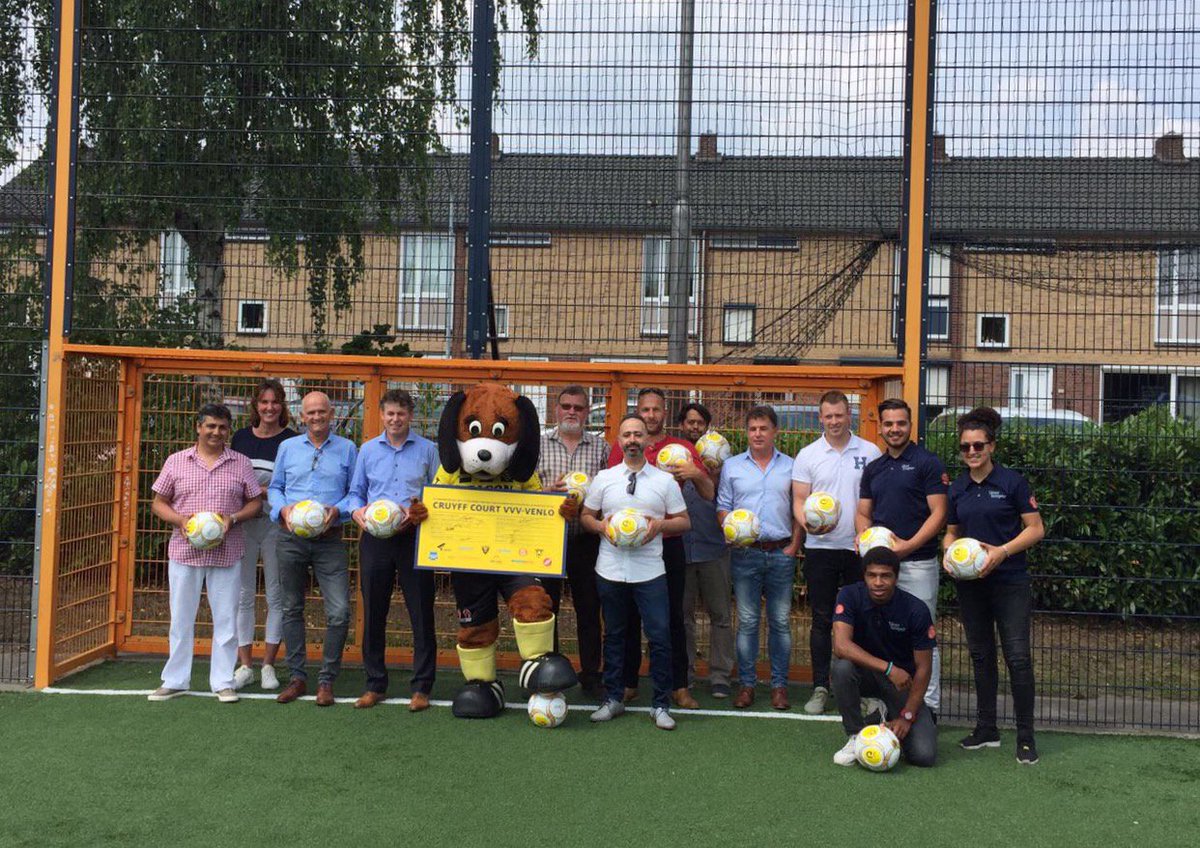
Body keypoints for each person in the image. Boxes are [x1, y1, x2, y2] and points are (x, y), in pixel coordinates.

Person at [945, 406, 1045, 764]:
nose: (972, 452)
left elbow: (1036, 529)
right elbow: (952, 533)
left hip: (1010, 582)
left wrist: (1002, 552)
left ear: (992, 447)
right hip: (971, 585)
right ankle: (986, 728)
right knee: (981, 654)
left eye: (978, 446)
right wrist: (948, 554)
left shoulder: (1012, 483)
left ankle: (1026, 737)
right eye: (965, 447)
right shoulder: (957, 488)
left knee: (1017, 657)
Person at [147, 403, 264, 703]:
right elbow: (158, 503)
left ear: (228, 430)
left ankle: (223, 681)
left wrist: (233, 518)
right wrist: (180, 521)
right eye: (210, 426)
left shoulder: (240, 463)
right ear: (198, 428)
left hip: (227, 552)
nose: (216, 432)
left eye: (222, 427)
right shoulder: (176, 461)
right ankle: (175, 680)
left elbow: (255, 503)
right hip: (184, 552)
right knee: (181, 618)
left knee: (226, 619)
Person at [582, 413, 691, 730]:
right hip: (610, 569)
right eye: (627, 434)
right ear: (619, 441)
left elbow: (685, 521)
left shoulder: (664, 481)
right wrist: (601, 526)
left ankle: (660, 705)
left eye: (638, 434)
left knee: (659, 637)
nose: (632, 440)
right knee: (614, 635)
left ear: (647, 441)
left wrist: (659, 525)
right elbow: (587, 516)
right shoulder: (604, 479)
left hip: (650, 571)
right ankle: (613, 699)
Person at [607, 388, 712, 709]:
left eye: (656, 410)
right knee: (628, 616)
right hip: (630, 547)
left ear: (665, 413)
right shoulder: (623, 447)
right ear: (637, 413)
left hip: (667, 545)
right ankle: (628, 683)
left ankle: (678, 686)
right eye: (645, 410)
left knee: (672, 617)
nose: (651, 415)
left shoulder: (681, 449)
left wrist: (696, 473)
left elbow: (709, 493)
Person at [347, 388, 440, 711]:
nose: (395, 419)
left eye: (401, 413)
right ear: (382, 415)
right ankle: (374, 685)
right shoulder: (368, 450)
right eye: (390, 413)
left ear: (410, 415)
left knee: (421, 612)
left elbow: (439, 493)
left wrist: (418, 512)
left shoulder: (428, 450)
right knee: (374, 611)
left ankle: (422, 688)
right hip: (375, 538)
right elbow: (355, 493)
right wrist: (358, 513)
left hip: (414, 537)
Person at [791, 390, 881, 715]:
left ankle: (863, 689)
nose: (834, 421)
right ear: (820, 418)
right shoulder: (808, 455)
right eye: (828, 416)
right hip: (821, 550)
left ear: (849, 415)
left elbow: (876, 498)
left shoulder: (870, 452)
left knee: (862, 621)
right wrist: (808, 525)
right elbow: (799, 501)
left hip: (858, 549)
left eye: (839, 415)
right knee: (821, 619)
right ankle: (820, 687)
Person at [855, 398, 948, 714]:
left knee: (923, 637)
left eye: (901, 423)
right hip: (881, 569)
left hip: (917, 563)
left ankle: (928, 708)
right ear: (880, 427)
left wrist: (906, 547)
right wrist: (864, 539)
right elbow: (863, 513)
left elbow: (939, 514)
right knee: (879, 634)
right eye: (889, 424)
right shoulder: (874, 468)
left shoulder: (927, 463)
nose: (895, 429)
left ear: (910, 425)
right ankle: (884, 703)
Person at [269, 391, 357, 707]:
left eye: (322, 411)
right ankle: (297, 677)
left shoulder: (348, 449)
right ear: (302, 416)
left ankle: (326, 680)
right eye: (311, 412)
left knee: (339, 611)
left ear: (331, 414)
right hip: (290, 539)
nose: (317, 417)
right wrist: (282, 510)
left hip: (329, 540)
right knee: (291, 608)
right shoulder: (288, 447)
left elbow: (355, 493)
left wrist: (338, 510)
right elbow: (275, 488)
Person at [717, 406, 802, 710]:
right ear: (747, 432)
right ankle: (747, 685)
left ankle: (779, 686)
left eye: (763, 428)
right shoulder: (732, 466)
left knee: (780, 622)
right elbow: (723, 506)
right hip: (745, 553)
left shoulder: (791, 466)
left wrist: (795, 545)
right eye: (752, 429)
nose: (757, 434)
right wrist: (730, 529)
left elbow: (798, 508)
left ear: (775, 431)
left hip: (781, 552)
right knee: (748, 622)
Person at [830, 547, 938, 768]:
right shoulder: (849, 595)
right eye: (872, 575)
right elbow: (841, 646)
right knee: (841, 667)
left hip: (900, 685)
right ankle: (855, 735)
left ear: (896, 578)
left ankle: (883, 714)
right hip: (868, 675)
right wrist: (889, 668)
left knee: (923, 755)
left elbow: (924, 668)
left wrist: (907, 716)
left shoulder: (916, 610)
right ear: (864, 576)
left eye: (885, 576)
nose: (878, 582)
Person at [539, 385, 611, 697]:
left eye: (578, 407)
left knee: (589, 608)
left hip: (585, 540)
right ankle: (548, 672)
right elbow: (524, 490)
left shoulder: (602, 448)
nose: (571, 412)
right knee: (546, 609)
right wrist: (546, 494)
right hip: (547, 539)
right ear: (556, 410)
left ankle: (591, 674)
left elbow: (612, 490)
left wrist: (592, 499)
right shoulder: (539, 445)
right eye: (566, 406)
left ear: (587, 412)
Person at [230, 379, 298, 691]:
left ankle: (268, 665)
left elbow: (293, 486)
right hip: (243, 525)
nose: (269, 408)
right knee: (242, 595)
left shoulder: (291, 441)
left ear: (282, 406)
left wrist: (261, 491)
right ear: (255, 406)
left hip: (275, 525)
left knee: (276, 595)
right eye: (264, 402)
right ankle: (245, 665)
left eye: (275, 402)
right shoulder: (240, 438)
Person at [677, 402, 735, 699]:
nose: (695, 427)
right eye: (690, 422)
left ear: (707, 426)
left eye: (700, 422)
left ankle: (720, 676)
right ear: (682, 426)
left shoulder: (722, 463)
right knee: (683, 617)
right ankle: (685, 673)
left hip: (714, 549)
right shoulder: (671, 458)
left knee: (721, 615)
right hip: (681, 550)